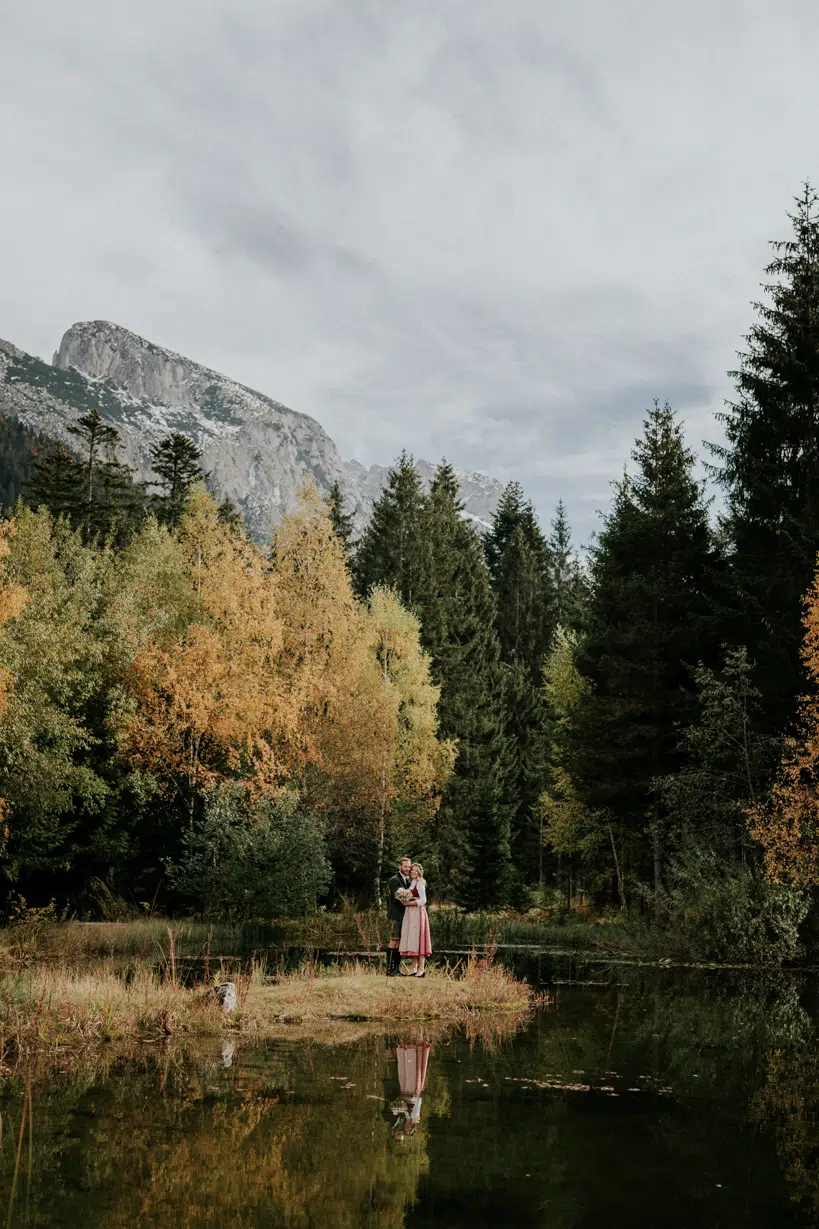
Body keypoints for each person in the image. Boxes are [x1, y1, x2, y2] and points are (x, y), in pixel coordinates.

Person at [399, 863, 432, 976]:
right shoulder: (412, 882)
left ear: (419, 872)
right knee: (413, 938)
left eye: (416, 870)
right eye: (412, 870)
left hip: (418, 912)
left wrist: (408, 903)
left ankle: (421, 969)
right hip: (410, 913)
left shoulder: (420, 882)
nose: (413, 872)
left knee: (420, 938)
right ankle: (414, 967)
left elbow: (423, 900)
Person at [386, 856, 412, 977]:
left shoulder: (407, 880)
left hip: (404, 915)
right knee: (393, 941)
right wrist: (415, 899)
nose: (407, 869)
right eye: (405, 866)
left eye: (409, 867)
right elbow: (400, 897)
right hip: (396, 915)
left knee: (399, 942)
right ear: (400, 866)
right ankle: (389, 970)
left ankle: (396, 969)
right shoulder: (394, 880)